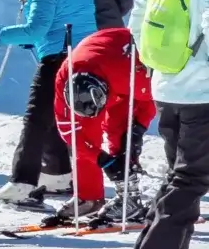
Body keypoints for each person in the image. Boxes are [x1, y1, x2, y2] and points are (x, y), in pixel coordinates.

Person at [119, 0, 209, 249]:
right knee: (190, 179)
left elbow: (138, 17)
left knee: (179, 178)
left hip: (167, 87)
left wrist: (162, 65)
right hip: (201, 90)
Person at [0, 0, 97, 208]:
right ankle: (58, 174)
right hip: (84, 56)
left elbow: (34, 31)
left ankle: (22, 182)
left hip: (57, 59)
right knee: (56, 115)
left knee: (35, 118)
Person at [54, 22, 152, 225]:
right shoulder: (63, 82)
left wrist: (137, 129)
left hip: (128, 61)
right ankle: (88, 196)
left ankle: (129, 198)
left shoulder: (129, 74)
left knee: (120, 132)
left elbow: (153, 98)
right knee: (85, 135)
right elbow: (69, 132)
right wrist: (102, 159)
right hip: (100, 63)